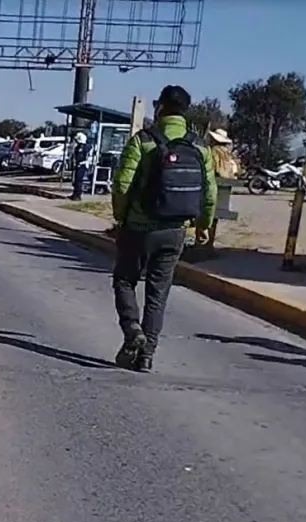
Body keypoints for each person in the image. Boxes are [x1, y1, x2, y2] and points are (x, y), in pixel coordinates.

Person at [110, 85, 217, 372]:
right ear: (185, 111)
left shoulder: (142, 141)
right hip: (176, 230)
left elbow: (121, 185)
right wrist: (203, 226)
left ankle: (132, 329)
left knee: (124, 280)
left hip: (139, 228)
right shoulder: (199, 146)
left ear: (159, 109)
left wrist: (121, 217)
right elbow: (209, 193)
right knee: (158, 293)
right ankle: (147, 356)